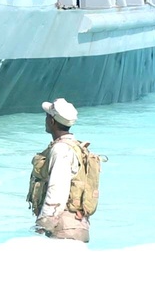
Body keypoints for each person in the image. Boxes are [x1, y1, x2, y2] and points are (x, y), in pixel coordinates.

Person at [27, 99, 91, 242]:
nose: (45, 119)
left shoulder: (60, 150)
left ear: (52, 121)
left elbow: (57, 189)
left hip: (63, 230)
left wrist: (44, 225)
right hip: (75, 227)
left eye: (47, 116)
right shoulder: (75, 147)